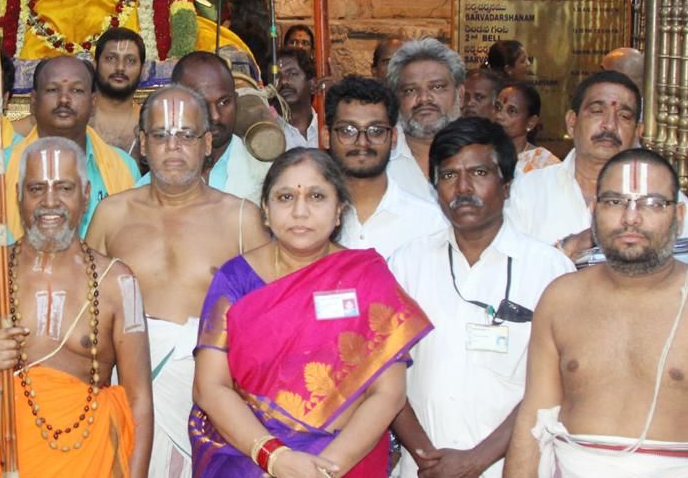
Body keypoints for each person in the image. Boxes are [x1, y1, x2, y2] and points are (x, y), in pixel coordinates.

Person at [505, 149, 688, 477]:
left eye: (652, 203)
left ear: (679, 216)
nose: (631, 218)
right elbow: (533, 422)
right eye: (615, 202)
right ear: (593, 210)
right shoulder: (561, 299)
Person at [189, 148, 432, 477]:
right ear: (265, 209)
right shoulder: (234, 279)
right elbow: (210, 385)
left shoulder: (368, 278)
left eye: (317, 196)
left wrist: (326, 468)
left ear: (338, 210)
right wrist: (275, 458)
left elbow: (388, 393)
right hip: (252, 459)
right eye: (285, 197)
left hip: (347, 463)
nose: (300, 211)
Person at [87, 86, 270, 477]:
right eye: (161, 135)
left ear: (206, 143)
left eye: (186, 135)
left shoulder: (241, 218)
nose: (173, 147)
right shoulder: (111, 214)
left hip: (214, 404)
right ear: (142, 143)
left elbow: (268, 325)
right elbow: (87, 314)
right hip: (127, 396)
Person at [388, 118, 573, 477]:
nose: (462, 188)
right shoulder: (405, 264)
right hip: (423, 468)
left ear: (506, 184)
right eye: (447, 175)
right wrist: (428, 458)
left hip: (517, 467)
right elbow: (383, 374)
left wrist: (475, 461)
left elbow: (558, 385)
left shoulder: (550, 271)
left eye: (478, 173)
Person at [0, 137, 152, 478]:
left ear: (85, 192)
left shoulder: (117, 283)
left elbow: (139, 403)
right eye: (37, 189)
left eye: (64, 188)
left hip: (89, 462)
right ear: (18, 194)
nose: (50, 202)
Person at [507, 71, 688, 256]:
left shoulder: (667, 203)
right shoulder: (526, 192)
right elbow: (506, 276)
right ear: (572, 122)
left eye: (624, 116)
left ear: (638, 132)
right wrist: (568, 248)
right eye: (597, 111)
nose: (609, 125)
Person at [1, 56, 138, 239]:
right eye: (52, 89)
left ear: (93, 103)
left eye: (76, 90)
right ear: (33, 101)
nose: (64, 99)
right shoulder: (0, 167)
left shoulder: (124, 167)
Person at [326, 76, 445, 258]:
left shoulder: (430, 222)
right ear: (326, 136)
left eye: (376, 131)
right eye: (348, 131)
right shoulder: (311, 221)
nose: (362, 142)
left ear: (394, 137)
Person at [170, 51, 271, 202]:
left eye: (224, 102)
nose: (215, 116)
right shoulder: (154, 184)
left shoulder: (267, 175)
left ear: (236, 101)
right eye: (201, 104)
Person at [385, 38, 465, 202]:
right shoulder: (378, 158)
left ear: (460, 95)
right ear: (395, 99)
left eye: (436, 87)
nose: (424, 99)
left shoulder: (485, 154)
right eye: (410, 90)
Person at [90, 26, 147, 154]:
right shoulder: (77, 118)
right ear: (95, 65)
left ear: (143, 70)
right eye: (111, 58)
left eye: (130, 61)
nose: (120, 67)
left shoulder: (148, 123)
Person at [495, 81, 559, 177]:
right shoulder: (480, 154)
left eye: (512, 111)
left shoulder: (545, 165)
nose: (499, 116)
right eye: (498, 107)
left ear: (531, 122)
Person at [276, 48, 318, 150]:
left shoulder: (326, 127)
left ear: (313, 84)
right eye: (277, 76)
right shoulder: (269, 131)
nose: (284, 81)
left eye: (292, 74)